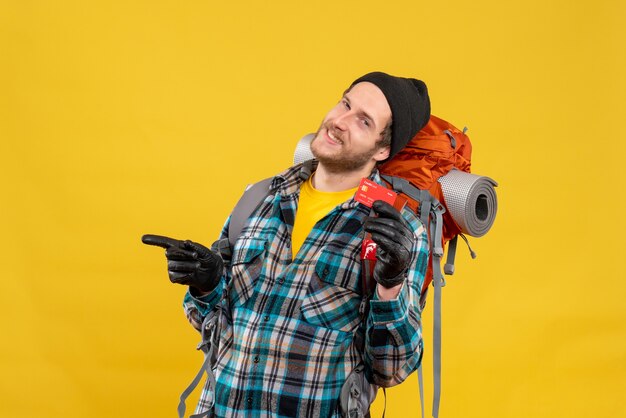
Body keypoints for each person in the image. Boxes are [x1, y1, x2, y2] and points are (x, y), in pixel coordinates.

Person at [143, 71, 431, 417]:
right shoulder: (260, 197)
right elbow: (216, 328)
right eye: (345, 103)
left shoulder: (398, 230)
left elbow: (390, 368)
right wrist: (206, 286)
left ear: (383, 149)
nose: (339, 121)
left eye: (363, 121)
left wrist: (390, 286)